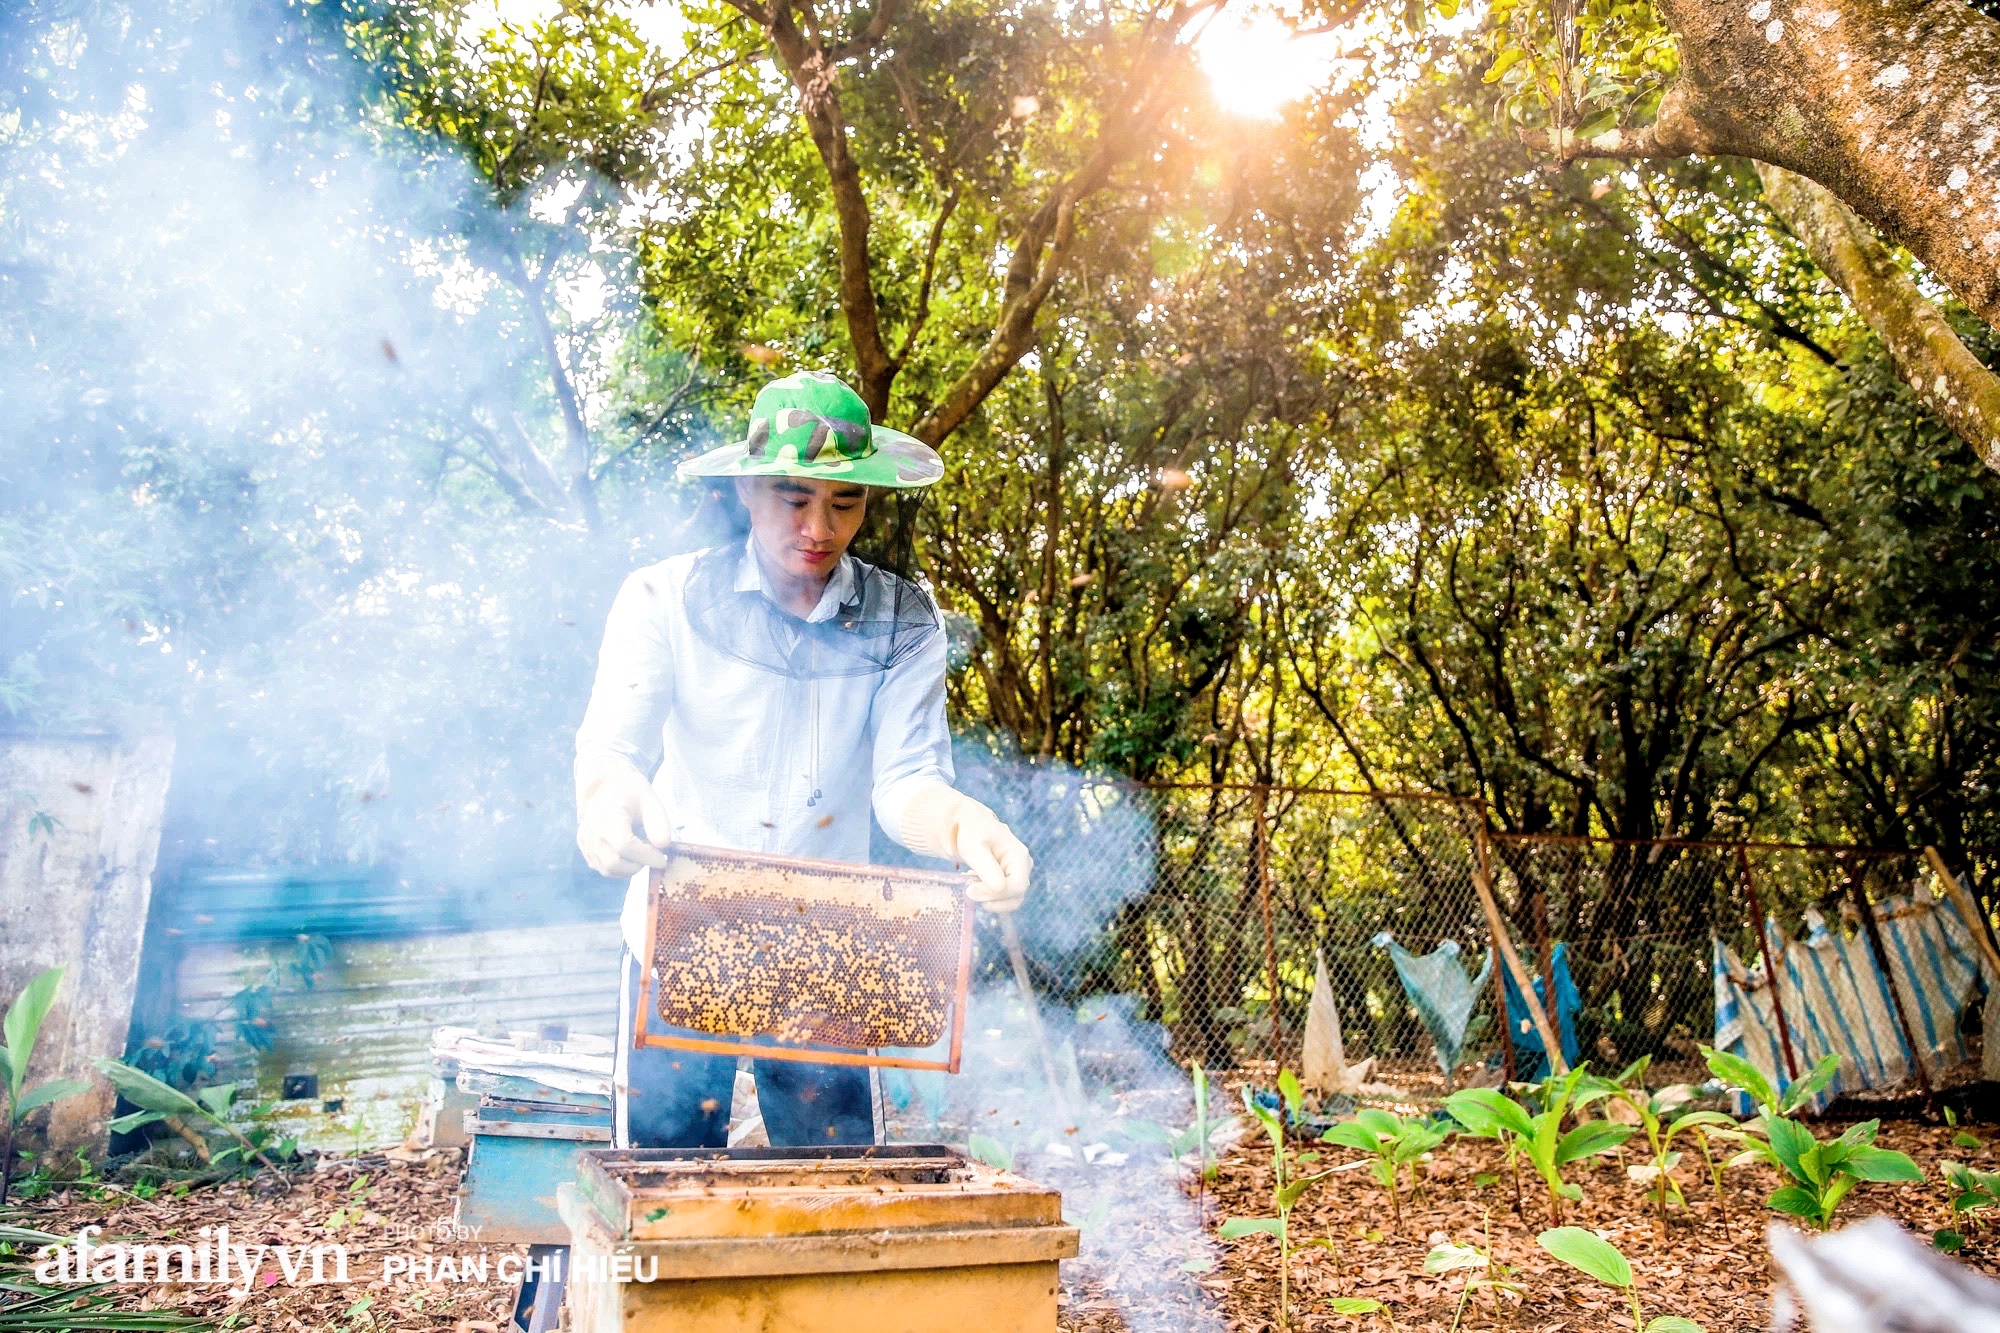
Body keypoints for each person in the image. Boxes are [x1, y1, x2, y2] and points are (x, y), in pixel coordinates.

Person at [573, 369, 1033, 1149]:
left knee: (840, 1190)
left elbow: (907, 782)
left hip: (828, 942)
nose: (819, 526)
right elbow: (614, 746)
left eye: (844, 502)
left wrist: (967, 826)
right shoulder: (660, 597)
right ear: (748, 490)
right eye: (794, 498)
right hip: (682, 929)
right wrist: (606, 798)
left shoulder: (903, 621)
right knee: (660, 1184)